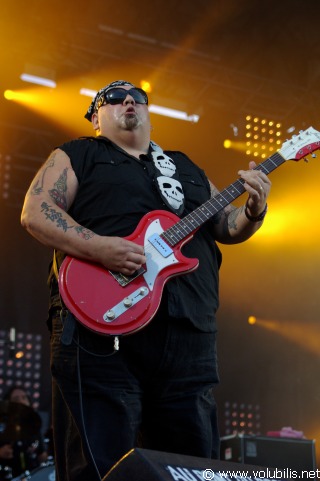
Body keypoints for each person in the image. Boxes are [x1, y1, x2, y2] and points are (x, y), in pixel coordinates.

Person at [20, 80, 271, 481]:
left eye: (136, 97)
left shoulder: (185, 167)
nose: (127, 102)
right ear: (95, 118)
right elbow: (36, 211)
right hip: (99, 328)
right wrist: (101, 247)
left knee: (191, 465)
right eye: (113, 99)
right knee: (98, 463)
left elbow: (226, 226)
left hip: (188, 330)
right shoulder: (77, 154)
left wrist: (256, 209)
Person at [0, 386, 48, 477]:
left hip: (32, 475)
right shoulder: (2, 425)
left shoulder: (34, 425)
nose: (21, 401)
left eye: (24, 397)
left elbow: (43, 457)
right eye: (16, 398)